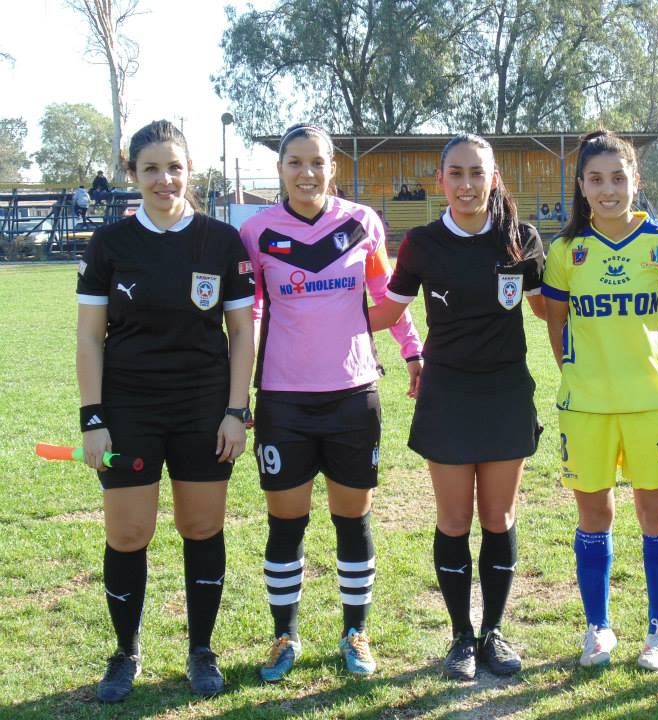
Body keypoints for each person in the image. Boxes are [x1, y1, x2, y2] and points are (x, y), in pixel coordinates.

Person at [76, 120, 255, 702]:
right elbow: (88, 338)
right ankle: (125, 652)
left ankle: (202, 650)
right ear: (132, 174)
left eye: (174, 167)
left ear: (190, 170)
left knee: (201, 527)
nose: (163, 178)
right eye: (150, 168)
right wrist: (93, 419)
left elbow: (242, 335)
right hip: (129, 411)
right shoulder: (109, 246)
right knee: (129, 534)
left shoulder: (220, 243)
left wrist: (236, 411)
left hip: (204, 408)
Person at [239, 123, 423, 680]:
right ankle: (283, 637)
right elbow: (248, 316)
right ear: (281, 169)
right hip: (284, 401)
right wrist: (236, 395)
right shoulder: (256, 232)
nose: (306, 172)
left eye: (317, 162)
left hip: (352, 396)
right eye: (295, 162)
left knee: (353, 518)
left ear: (333, 167)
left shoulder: (361, 223)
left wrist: (413, 353)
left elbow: (386, 295)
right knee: (286, 523)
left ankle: (355, 632)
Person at [369, 133, 547, 681]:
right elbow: (385, 313)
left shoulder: (521, 239)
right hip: (446, 394)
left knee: (498, 519)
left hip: (504, 393)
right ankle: (460, 639)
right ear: (441, 180)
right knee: (454, 520)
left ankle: (492, 632)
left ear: (493, 178)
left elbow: (549, 311)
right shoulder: (422, 243)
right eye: (456, 174)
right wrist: (316, 299)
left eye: (477, 173)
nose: (467, 184)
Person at [542, 130, 658, 671]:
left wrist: (651, 366)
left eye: (619, 178)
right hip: (586, 404)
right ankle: (598, 628)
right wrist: (584, 374)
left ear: (636, 180)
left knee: (656, 512)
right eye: (597, 180)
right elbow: (555, 325)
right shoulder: (564, 251)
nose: (609, 190)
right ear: (581, 186)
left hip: (651, 400)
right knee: (594, 514)